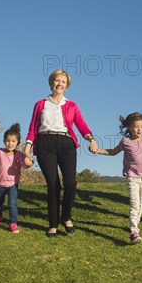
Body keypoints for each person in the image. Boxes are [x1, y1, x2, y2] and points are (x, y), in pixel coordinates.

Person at [23, 69, 98, 238]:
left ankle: (67, 217)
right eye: (57, 81)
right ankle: (53, 224)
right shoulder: (41, 104)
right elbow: (33, 128)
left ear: (67, 86)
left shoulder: (72, 105)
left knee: (70, 183)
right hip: (44, 143)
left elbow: (81, 125)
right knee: (53, 184)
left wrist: (91, 139)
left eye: (63, 82)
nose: (60, 84)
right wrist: (27, 148)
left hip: (66, 144)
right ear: (51, 83)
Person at [92, 113, 142, 244]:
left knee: (141, 204)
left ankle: (136, 224)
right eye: (136, 126)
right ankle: (134, 232)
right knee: (134, 204)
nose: (139, 129)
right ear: (129, 127)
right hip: (132, 178)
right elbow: (113, 152)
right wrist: (98, 150)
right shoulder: (126, 141)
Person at [0, 123, 34, 233]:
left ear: (18, 143)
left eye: (13, 141)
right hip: (0, 183)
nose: (10, 143)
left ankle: (13, 223)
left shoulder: (19, 155)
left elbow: (25, 165)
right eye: (8, 141)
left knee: (12, 204)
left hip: (12, 184)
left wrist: (29, 162)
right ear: (4, 141)